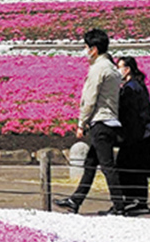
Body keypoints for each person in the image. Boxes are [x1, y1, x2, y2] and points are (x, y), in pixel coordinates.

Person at [53, 28, 127, 215]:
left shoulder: (98, 69)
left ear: (94, 49)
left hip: (100, 123)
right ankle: (75, 200)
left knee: (107, 166)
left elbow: (89, 99)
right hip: (110, 122)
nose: (85, 51)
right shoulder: (112, 68)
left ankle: (119, 207)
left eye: (86, 47)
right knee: (90, 164)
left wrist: (81, 124)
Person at [115, 56, 150, 214]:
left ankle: (136, 201)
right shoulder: (137, 85)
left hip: (138, 135)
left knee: (129, 166)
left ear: (127, 70)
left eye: (119, 67)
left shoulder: (131, 88)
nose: (117, 70)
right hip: (143, 133)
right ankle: (137, 201)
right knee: (134, 166)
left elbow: (131, 115)